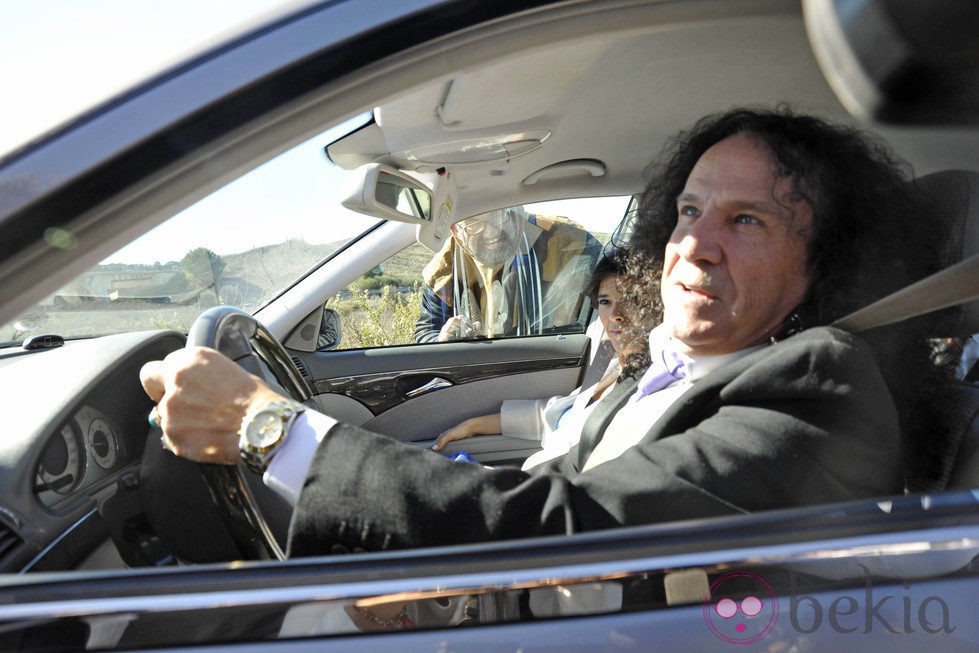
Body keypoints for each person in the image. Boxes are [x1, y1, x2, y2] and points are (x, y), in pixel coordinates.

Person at [141, 107, 924, 558]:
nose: (695, 244)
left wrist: (268, 427)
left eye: (745, 219)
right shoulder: (660, 368)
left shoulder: (817, 380)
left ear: (821, 261)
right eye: (688, 211)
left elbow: (566, 526)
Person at [432, 252, 651, 470]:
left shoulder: (650, 390)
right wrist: (473, 426)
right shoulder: (610, 365)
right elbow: (552, 414)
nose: (615, 314)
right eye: (605, 301)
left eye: (630, 300)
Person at [414, 206, 602, 342]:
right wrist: (442, 339)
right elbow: (425, 331)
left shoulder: (565, 240)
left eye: (497, 215)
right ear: (455, 230)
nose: (491, 232)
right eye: (474, 224)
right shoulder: (445, 270)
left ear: (512, 210)